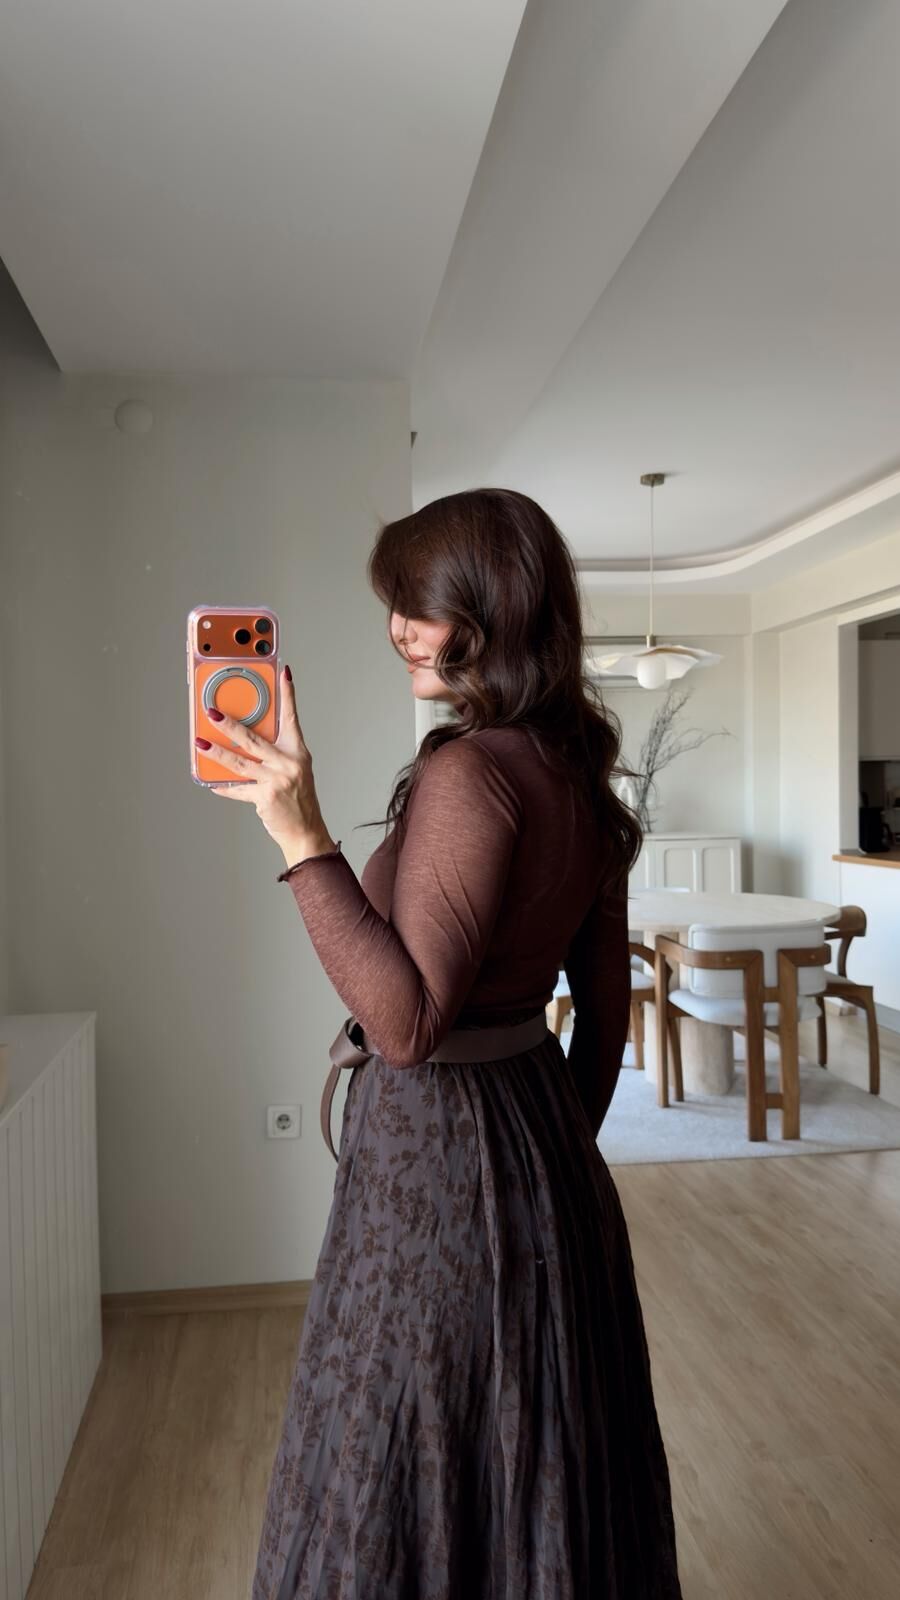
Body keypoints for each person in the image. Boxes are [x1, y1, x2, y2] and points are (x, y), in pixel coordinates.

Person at [201, 488, 683, 1597]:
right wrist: (543, 1164)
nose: (398, 630)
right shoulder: (573, 769)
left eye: (417, 607)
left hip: (436, 1168)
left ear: (488, 610)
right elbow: (605, 1015)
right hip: (539, 1150)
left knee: (406, 1443)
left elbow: (407, 1025)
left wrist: (300, 832)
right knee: (527, 1449)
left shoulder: (473, 772)